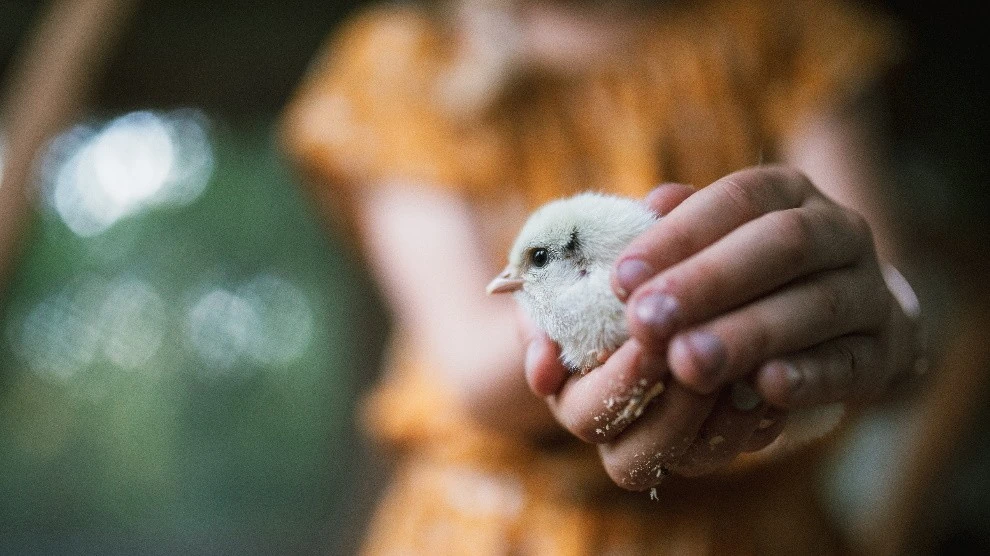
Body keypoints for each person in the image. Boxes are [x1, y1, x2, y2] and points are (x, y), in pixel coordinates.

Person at [279, 0, 922, 552]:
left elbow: (890, 301)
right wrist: (602, 315)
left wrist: (879, 321)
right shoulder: (408, 63)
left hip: (755, 528)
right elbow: (471, 360)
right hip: (507, 531)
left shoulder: (781, 29)